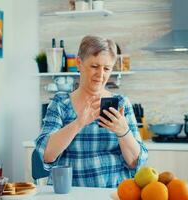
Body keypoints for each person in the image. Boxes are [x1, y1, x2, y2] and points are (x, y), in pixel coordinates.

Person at [35, 35, 148, 188]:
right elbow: (46, 154)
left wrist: (123, 132)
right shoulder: (61, 103)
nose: (101, 75)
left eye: (107, 68)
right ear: (79, 63)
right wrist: (79, 122)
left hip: (113, 193)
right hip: (71, 193)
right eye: (94, 66)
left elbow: (135, 162)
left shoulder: (121, 103)